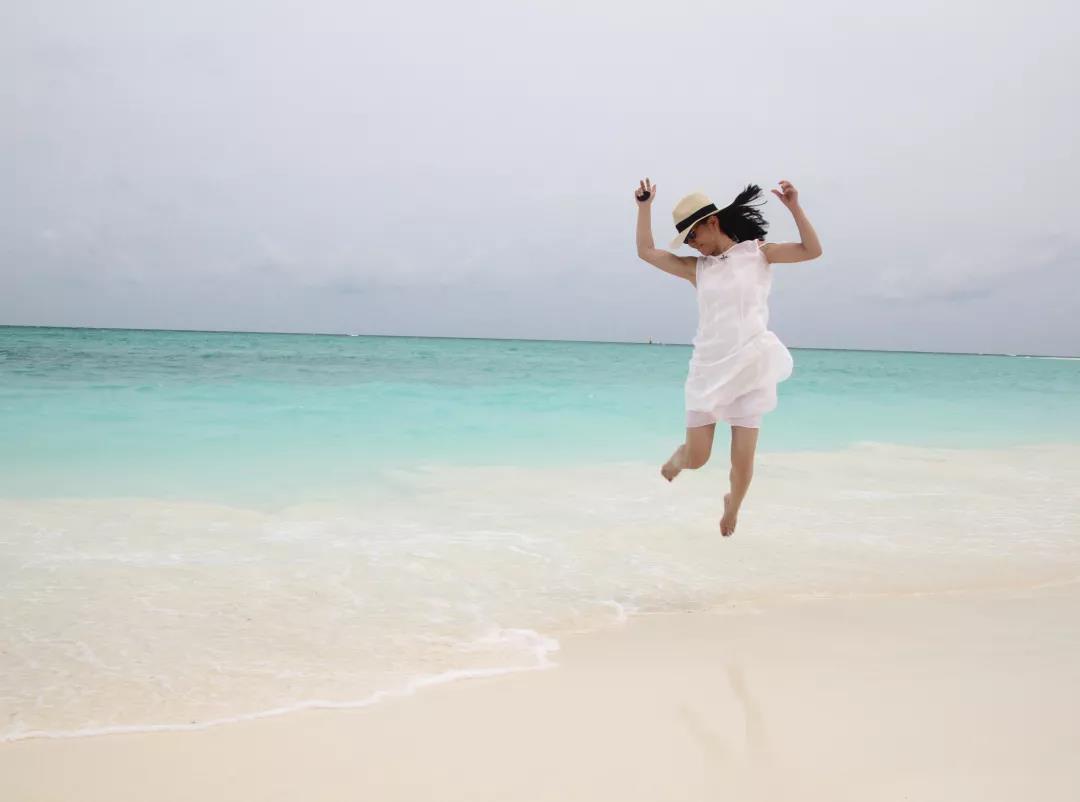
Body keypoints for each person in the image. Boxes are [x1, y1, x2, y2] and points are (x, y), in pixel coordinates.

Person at [634, 178, 822, 536]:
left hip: (751, 366)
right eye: (686, 240)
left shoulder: (759, 253)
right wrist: (644, 208)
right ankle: (681, 457)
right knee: (698, 458)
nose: (692, 244)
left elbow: (812, 250)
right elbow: (646, 251)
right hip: (708, 368)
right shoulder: (697, 269)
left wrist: (795, 208)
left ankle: (732, 505)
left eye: (693, 235)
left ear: (712, 221)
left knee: (743, 464)